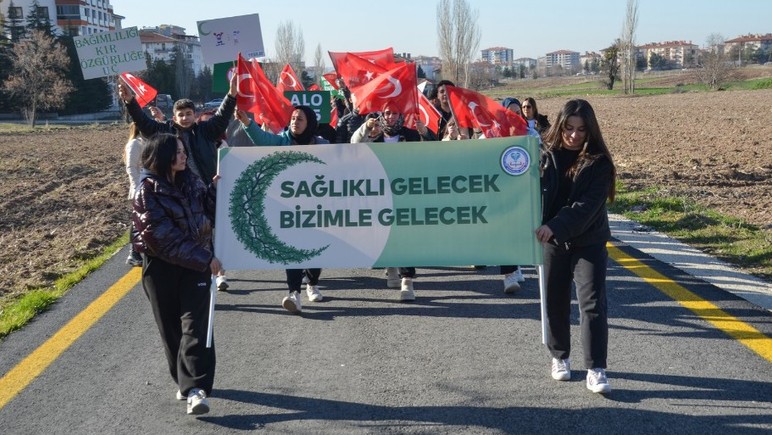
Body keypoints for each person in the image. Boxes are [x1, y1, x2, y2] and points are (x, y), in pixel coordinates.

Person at [132, 133, 222, 415]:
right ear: (163, 156)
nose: (184, 156)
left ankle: (197, 388)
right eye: (179, 152)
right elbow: (162, 238)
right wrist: (205, 257)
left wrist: (215, 190)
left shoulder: (191, 181)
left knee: (196, 326)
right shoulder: (146, 191)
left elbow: (208, 213)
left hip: (195, 266)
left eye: (184, 151)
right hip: (161, 268)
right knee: (171, 330)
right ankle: (184, 382)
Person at [534, 99, 616, 394]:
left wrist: (554, 225)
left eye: (581, 129)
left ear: (590, 130)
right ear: (560, 125)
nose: (573, 135)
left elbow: (585, 207)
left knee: (592, 304)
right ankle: (560, 357)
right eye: (568, 128)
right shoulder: (543, 155)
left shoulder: (600, 163)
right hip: (553, 242)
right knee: (555, 300)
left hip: (589, 241)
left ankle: (596, 368)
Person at [236, 106, 326, 313]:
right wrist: (247, 123)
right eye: (293, 118)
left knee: (315, 245)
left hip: (316, 206)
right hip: (290, 207)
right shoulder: (282, 140)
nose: (295, 122)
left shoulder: (322, 144)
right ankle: (294, 293)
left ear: (309, 122)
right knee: (293, 248)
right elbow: (261, 139)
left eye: (300, 119)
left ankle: (312, 283)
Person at [350, 102, 435, 301]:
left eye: (394, 113)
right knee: (385, 232)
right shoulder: (375, 136)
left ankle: (408, 280)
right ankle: (391, 267)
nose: (389, 116)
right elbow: (354, 145)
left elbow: (431, 152)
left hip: (406, 193)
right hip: (381, 193)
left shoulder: (411, 134)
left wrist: (425, 133)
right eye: (386, 113)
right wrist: (365, 127)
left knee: (405, 234)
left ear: (400, 115)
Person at [117, 74, 238, 188]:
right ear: (174, 117)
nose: (185, 118)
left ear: (194, 115)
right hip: (178, 190)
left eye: (188, 114)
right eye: (181, 115)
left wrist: (231, 94)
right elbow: (143, 123)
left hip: (208, 187)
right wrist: (130, 102)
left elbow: (222, 116)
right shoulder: (165, 131)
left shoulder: (205, 130)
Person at [498, 97, 528, 292]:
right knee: (505, 231)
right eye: (510, 112)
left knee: (520, 231)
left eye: (517, 112)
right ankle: (508, 276)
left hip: (524, 192)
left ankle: (516, 266)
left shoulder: (531, 135)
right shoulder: (491, 135)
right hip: (499, 192)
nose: (514, 116)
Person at [124, 122, 144, 267]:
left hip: (149, 186)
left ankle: (139, 250)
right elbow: (131, 167)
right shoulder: (134, 144)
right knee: (137, 221)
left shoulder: (146, 141)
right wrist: (137, 187)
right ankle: (133, 252)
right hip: (139, 188)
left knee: (143, 220)